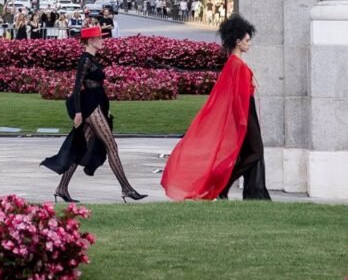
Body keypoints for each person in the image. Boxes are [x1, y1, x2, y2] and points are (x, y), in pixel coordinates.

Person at [161, 14, 271, 201]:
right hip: (245, 111)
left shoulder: (233, 64)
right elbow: (238, 96)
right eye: (246, 40)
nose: (249, 44)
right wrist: (242, 120)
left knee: (250, 152)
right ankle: (224, 184)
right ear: (238, 42)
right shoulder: (237, 66)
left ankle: (251, 192)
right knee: (256, 151)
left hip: (245, 110)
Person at [41, 26, 147, 203]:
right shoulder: (85, 60)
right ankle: (126, 188)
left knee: (80, 148)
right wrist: (78, 112)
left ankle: (62, 188)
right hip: (90, 107)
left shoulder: (92, 59)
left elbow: (98, 87)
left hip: (97, 105)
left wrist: (106, 108)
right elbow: (76, 88)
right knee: (112, 146)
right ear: (91, 41)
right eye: (99, 38)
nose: (103, 40)